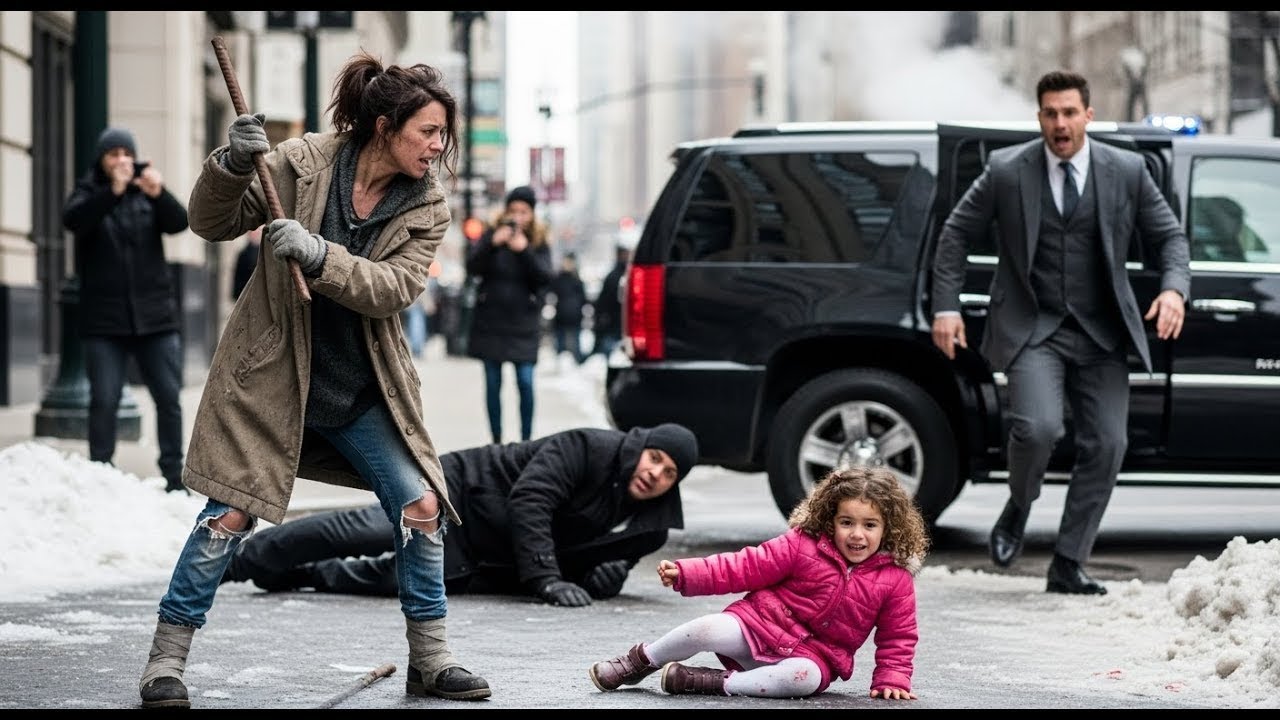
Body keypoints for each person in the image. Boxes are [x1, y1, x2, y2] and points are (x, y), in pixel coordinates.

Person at [136, 52, 492, 709]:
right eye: (428, 132)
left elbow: (393, 290)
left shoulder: (427, 206)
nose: (438, 146)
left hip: (361, 391)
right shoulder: (302, 163)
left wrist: (321, 254)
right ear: (385, 126)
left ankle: (431, 660)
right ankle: (166, 662)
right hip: (273, 380)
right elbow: (209, 222)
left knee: (421, 507)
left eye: (445, 133)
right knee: (229, 512)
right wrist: (234, 164)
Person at [930, 70, 1191, 596]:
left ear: (1088, 115)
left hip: (1102, 331)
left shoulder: (1128, 170)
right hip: (1034, 327)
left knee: (1109, 443)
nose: (1060, 124)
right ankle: (1019, 505)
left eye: (1070, 113)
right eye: (1050, 113)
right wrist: (946, 308)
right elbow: (956, 233)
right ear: (1040, 117)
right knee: (1038, 429)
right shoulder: (1007, 170)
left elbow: (1170, 238)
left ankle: (1069, 561)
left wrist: (1173, 290)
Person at [220, 423, 699, 604]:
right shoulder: (588, 447)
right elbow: (531, 501)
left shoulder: (648, 529)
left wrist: (604, 575)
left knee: (394, 581)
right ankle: (241, 562)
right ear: (641, 448)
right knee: (361, 530)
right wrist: (547, 579)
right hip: (458, 491)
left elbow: (607, 564)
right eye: (656, 458)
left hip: (481, 550)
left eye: (669, 472)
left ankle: (304, 575)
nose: (656, 473)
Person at [588, 466, 928, 700]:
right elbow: (745, 566)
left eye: (869, 525)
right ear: (830, 519)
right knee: (707, 628)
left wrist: (892, 678)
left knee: (804, 680)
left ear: (889, 527)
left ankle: (716, 683)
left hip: (814, 655)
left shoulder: (895, 579)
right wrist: (690, 573)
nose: (857, 534)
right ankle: (642, 660)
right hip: (759, 626)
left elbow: (898, 635)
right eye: (846, 522)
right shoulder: (802, 545)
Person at [62, 126, 190, 495]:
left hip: (155, 319)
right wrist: (112, 192)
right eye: (113, 154)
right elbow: (75, 221)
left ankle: (174, 476)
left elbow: (180, 222)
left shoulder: (146, 192)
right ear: (102, 161)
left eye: (125, 153)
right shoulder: (89, 193)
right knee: (104, 399)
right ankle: (100, 471)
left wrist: (159, 193)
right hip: (105, 322)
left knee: (168, 398)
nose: (121, 160)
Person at [465, 185, 554, 443]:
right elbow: (472, 268)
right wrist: (492, 244)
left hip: (523, 325)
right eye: (513, 210)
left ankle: (526, 440)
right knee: (493, 385)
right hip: (491, 322)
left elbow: (545, 278)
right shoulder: (492, 235)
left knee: (525, 383)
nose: (518, 216)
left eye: (523, 211)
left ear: (532, 214)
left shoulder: (538, 241)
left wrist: (524, 250)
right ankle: (496, 439)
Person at [589, 244, 630, 358]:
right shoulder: (621, 275)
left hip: (615, 324)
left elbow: (602, 302)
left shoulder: (613, 275)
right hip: (616, 324)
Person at [548, 251, 588, 365]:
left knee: (575, 342)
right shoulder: (559, 279)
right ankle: (561, 362)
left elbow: (583, 299)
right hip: (562, 315)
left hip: (573, 315)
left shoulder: (576, 280)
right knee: (560, 342)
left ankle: (577, 362)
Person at [230, 225, 261, 301]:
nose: (256, 233)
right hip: (247, 295)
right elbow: (239, 277)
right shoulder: (243, 254)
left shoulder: (265, 253)